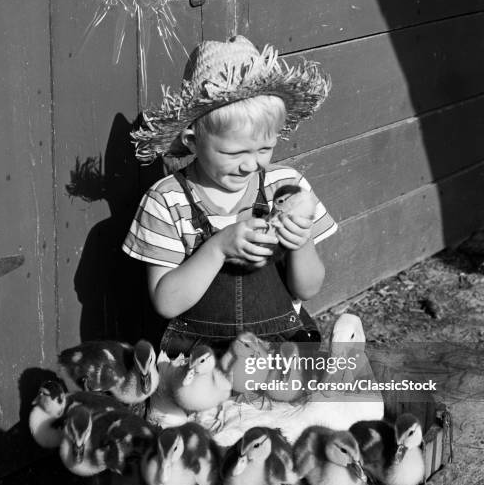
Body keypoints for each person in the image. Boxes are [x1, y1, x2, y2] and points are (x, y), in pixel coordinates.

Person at [123, 35, 337, 358]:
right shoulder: (167, 200)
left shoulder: (286, 187)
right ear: (193, 141)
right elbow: (166, 302)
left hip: (277, 351)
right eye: (234, 152)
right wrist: (219, 247)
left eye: (265, 148)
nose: (251, 164)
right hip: (200, 364)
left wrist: (301, 241)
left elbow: (307, 288)